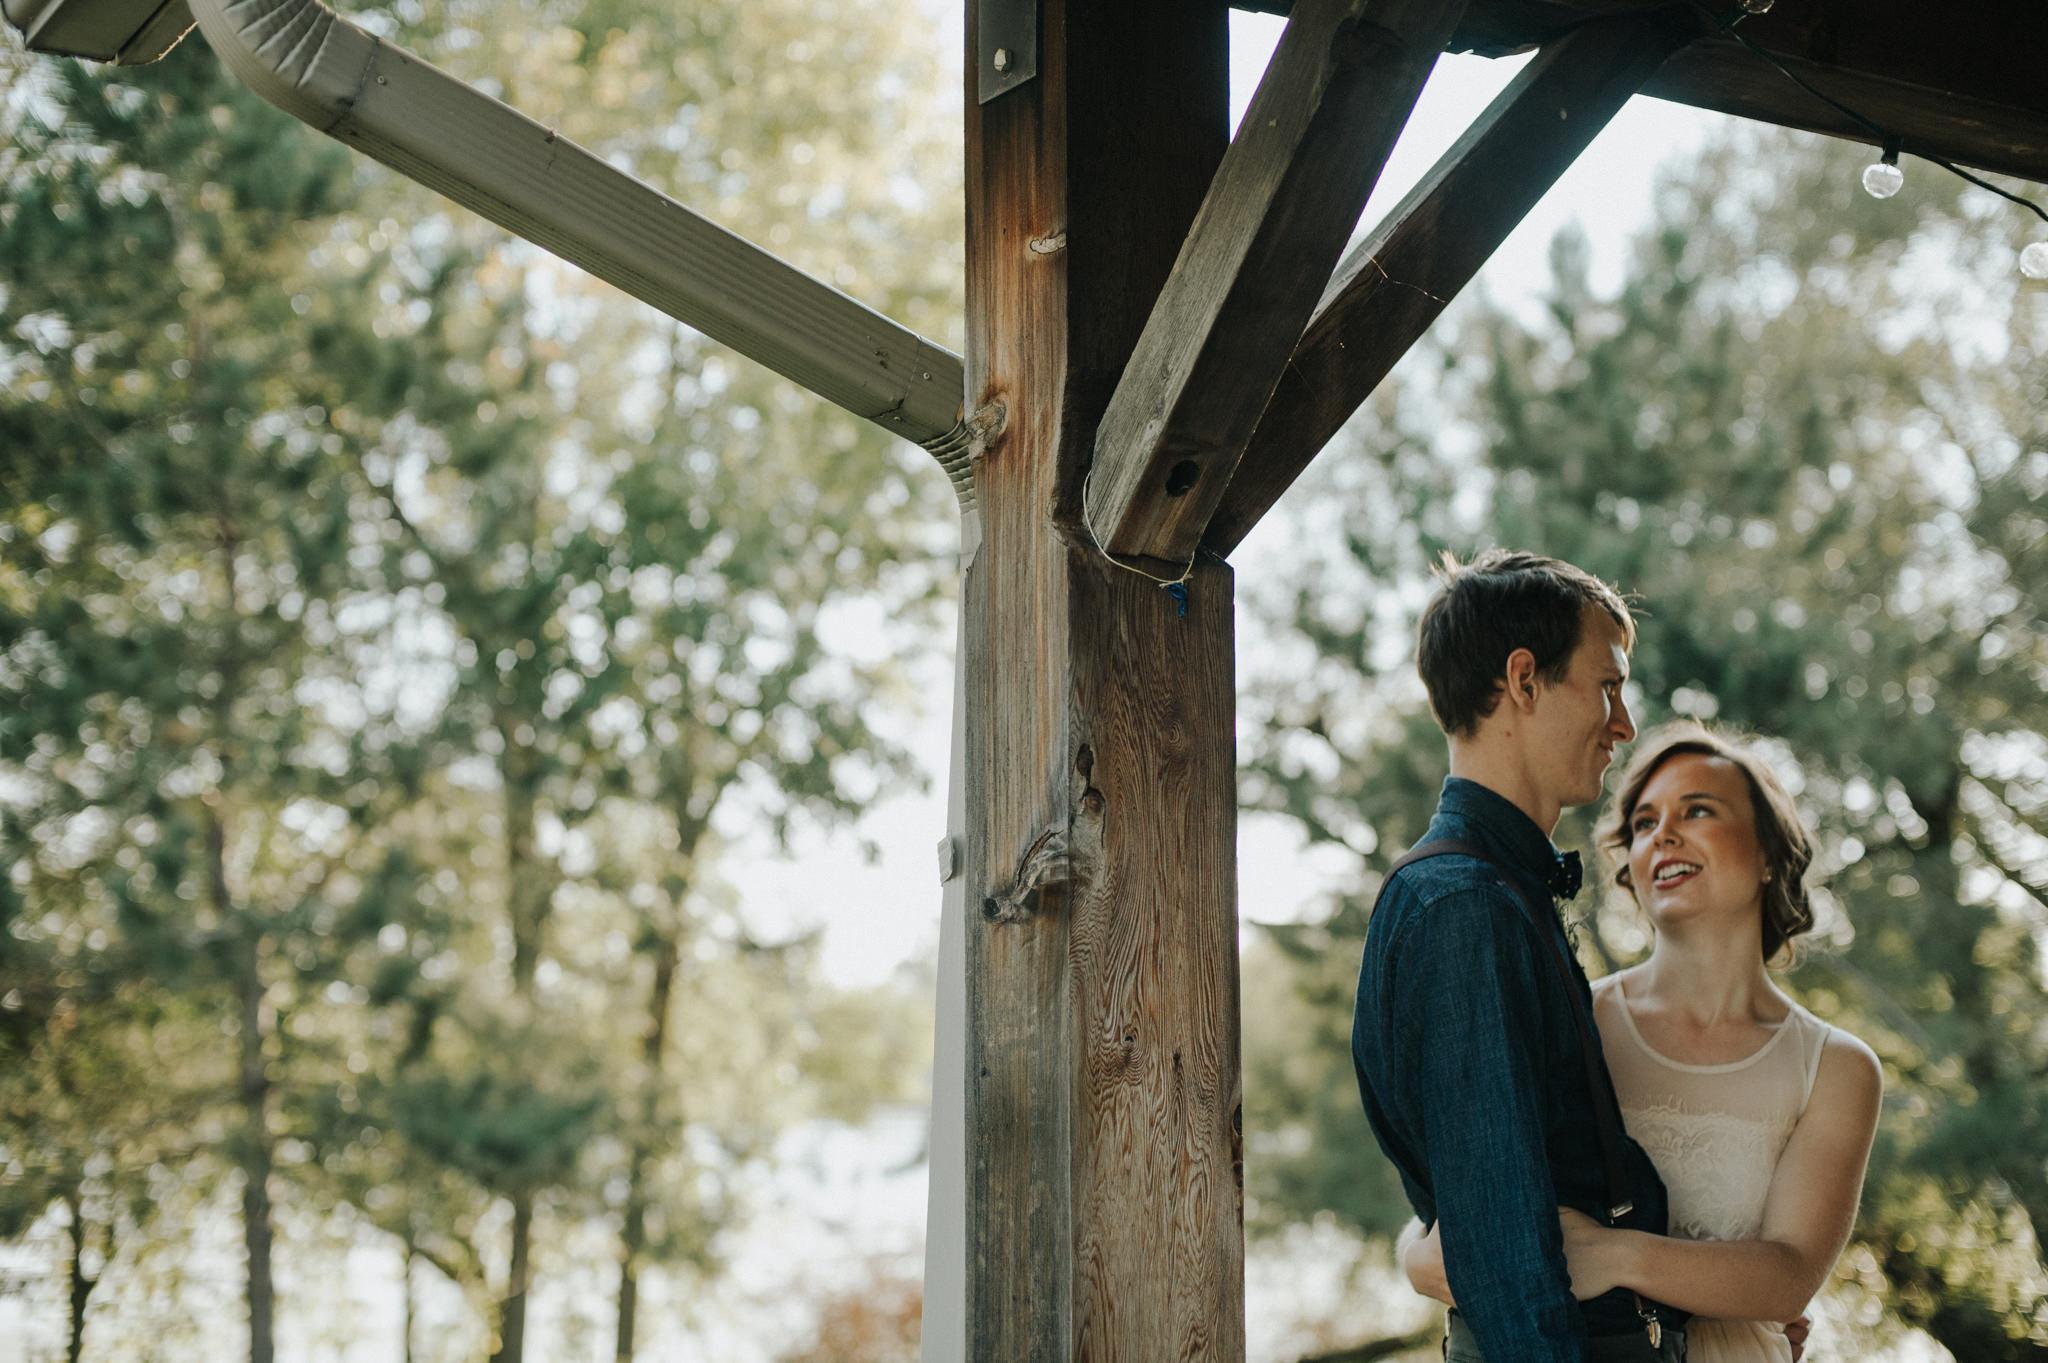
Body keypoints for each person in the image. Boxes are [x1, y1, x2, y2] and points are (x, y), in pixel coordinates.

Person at [1401, 725, 1883, 1363]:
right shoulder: (1570, 1018)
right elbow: (1467, 1188)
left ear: (1769, 852)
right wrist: (1413, 1257)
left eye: (1698, 810)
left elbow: (1790, 1274)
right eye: (1644, 823)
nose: (1663, 835)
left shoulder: (1836, 1068)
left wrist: (1615, 1254)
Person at [1352, 549, 1681, 1363]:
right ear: (1524, 680)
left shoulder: (1499, 889)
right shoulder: (1467, 906)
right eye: (1608, 686)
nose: (1624, 723)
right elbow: (1504, 1252)